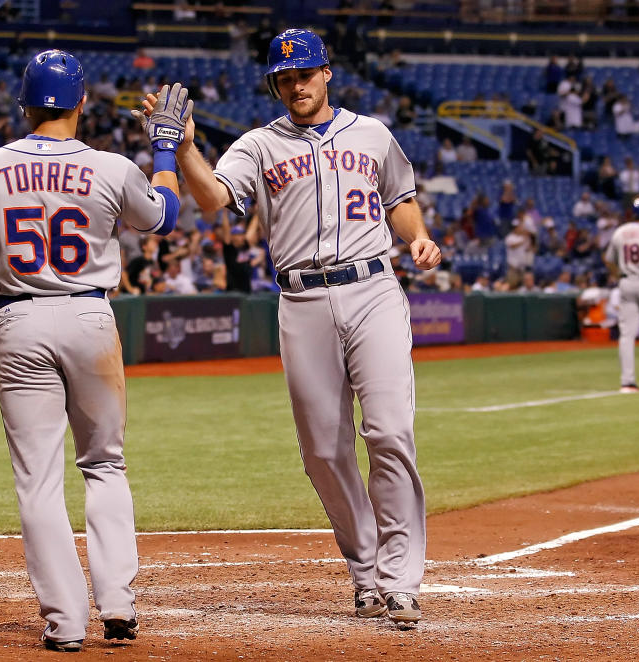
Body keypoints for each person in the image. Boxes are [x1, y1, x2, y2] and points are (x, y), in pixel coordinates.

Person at [166, 29, 440, 625]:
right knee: (322, 449)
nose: (296, 85)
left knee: (390, 432)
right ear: (275, 85)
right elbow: (214, 199)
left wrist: (416, 235)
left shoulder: (370, 133)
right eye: (284, 78)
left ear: (326, 74)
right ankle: (364, 571)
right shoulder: (257, 145)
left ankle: (400, 579)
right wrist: (187, 151)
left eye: (305, 74)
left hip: (372, 288)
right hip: (302, 299)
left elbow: (400, 197)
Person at [0, 49, 188, 652]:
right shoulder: (108, 166)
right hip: (89, 315)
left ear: (25, 104)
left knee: (38, 482)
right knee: (104, 463)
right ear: (81, 102)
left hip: (19, 320)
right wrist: (162, 150)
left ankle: (65, 624)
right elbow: (163, 217)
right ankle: (119, 606)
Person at [603, 196, 639, 393]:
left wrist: (617, 273)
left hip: (626, 282)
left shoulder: (620, 232)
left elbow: (608, 259)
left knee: (627, 334)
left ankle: (627, 382)